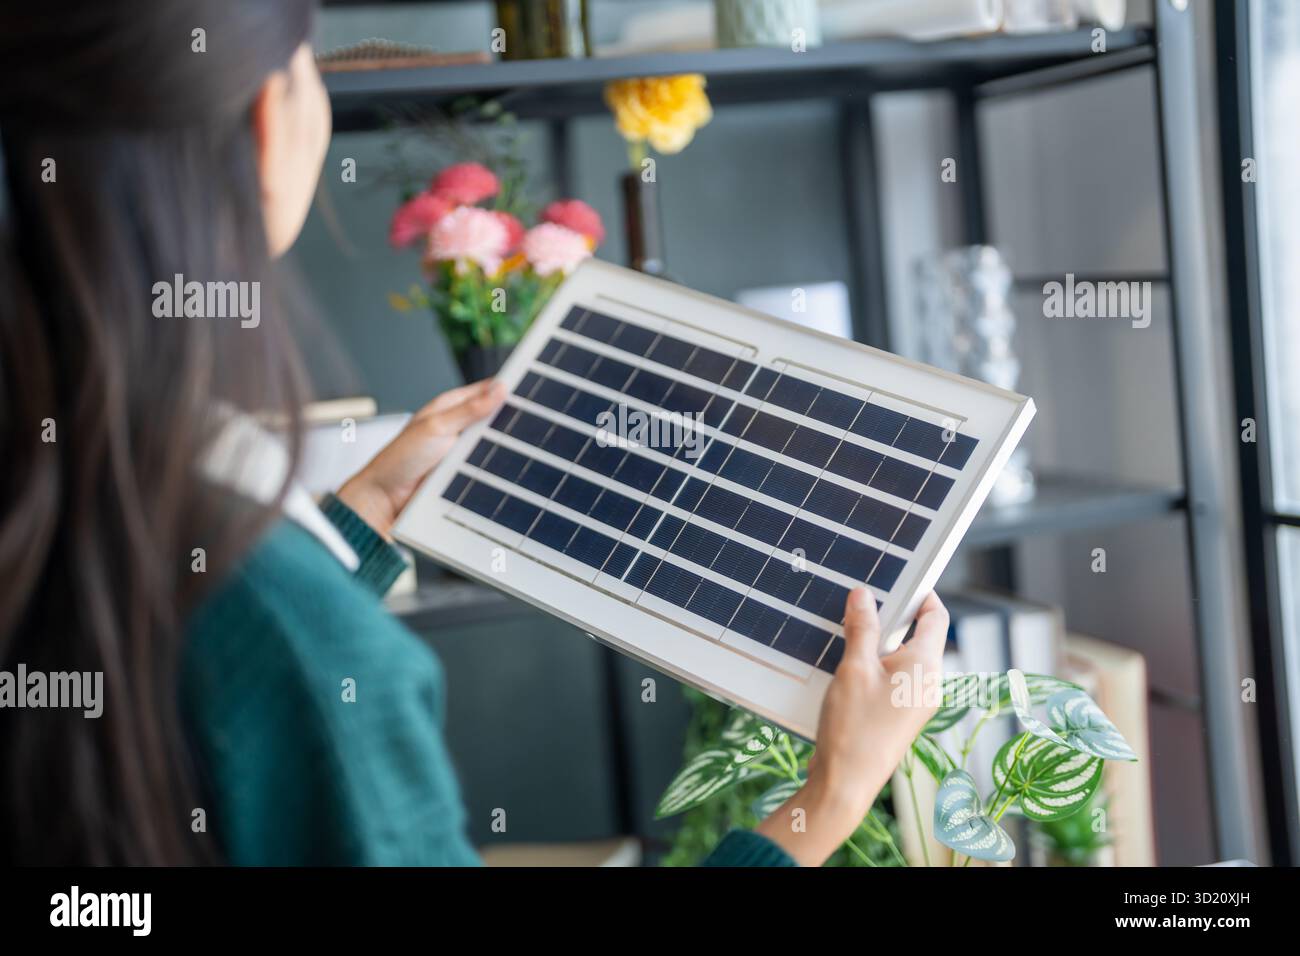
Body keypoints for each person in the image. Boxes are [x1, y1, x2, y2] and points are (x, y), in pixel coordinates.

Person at [0, 0, 948, 866]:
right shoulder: (307, 650)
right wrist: (834, 792)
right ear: (265, 121)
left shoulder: (54, 497)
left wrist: (357, 522)